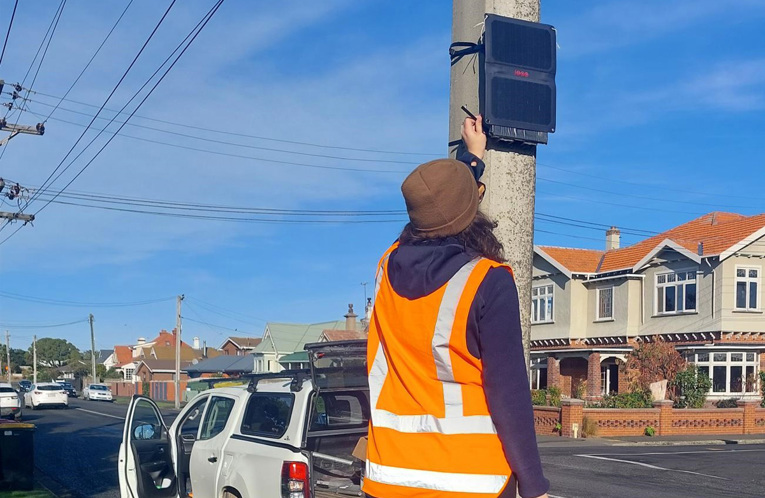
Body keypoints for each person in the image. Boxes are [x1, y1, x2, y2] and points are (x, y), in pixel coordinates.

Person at [363, 116, 550, 498]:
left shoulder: (387, 266)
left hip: (388, 478)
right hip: (470, 482)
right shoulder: (488, 281)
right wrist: (534, 484)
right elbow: (509, 392)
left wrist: (473, 158)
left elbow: (437, 210)